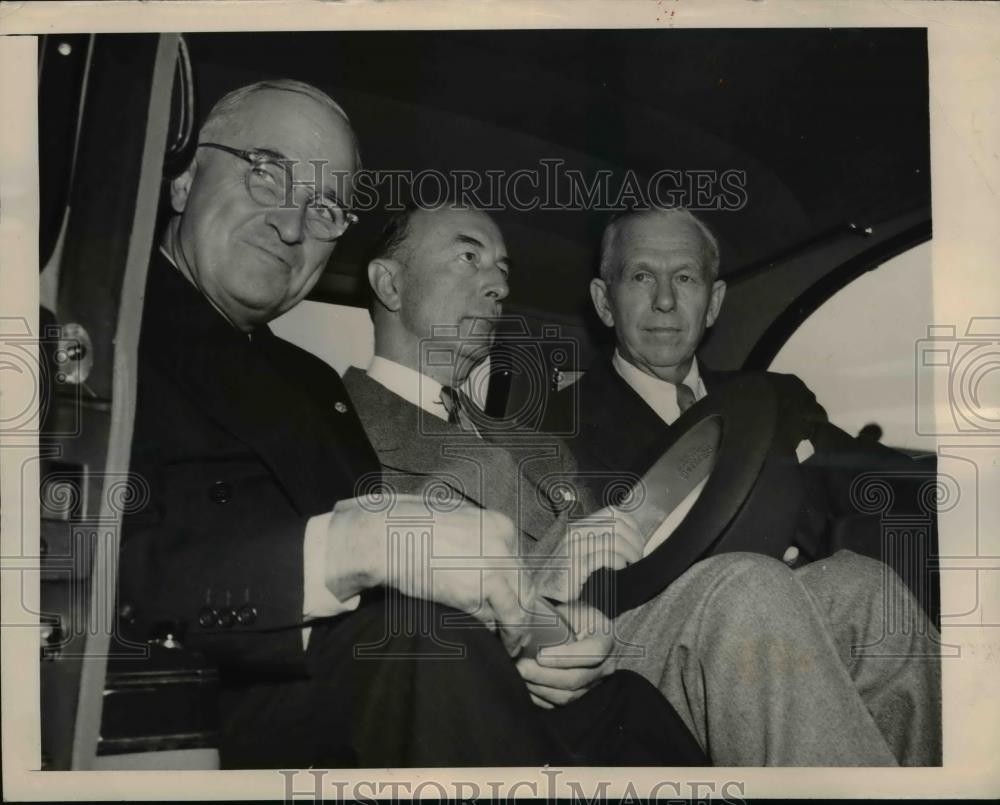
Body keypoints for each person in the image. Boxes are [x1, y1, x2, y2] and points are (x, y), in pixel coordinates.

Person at [118, 80, 702, 768]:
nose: (294, 224)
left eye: (326, 206)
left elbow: (402, 576)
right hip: (199, 694)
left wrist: (535, 629)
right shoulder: (91, 333)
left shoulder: (307, 384)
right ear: (184, 177)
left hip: (373, 663)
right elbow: (81, 579)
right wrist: (348, 544)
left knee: (624, 704)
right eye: (268, 172)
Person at [539, 206, 943, 765]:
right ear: (605, 303)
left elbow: (877, 476)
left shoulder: (773, 399)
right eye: (640, 277)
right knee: (751, 590)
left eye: (685, 278)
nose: (664, 301)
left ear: (716, 301)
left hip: (790, 617)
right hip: (650, 639)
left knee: (866, 584)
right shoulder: (551, 425)